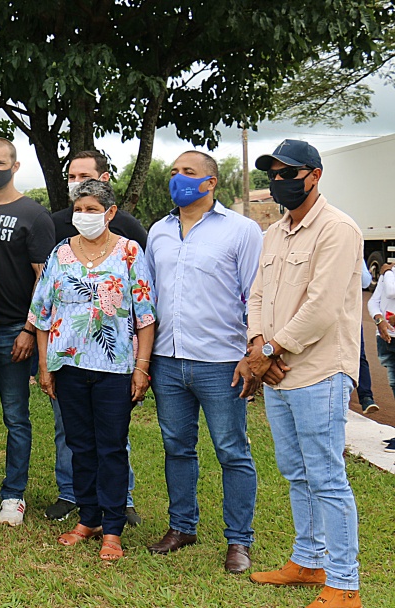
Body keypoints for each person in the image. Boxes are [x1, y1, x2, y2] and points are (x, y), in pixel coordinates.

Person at [245, 140, 363, 608]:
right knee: (296, 473)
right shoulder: (275, 233)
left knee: (327, 477)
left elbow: (323, 307)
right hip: (278, 373)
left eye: (288, 174)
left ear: (314, 176)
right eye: (273, 174)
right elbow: (256, 295)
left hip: (318, 373)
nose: (279, 182)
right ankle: (308, 561)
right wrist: (258, 345)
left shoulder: (338, 229)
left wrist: (271, 349)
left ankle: (344, 583)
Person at [144, 151, 262, 573]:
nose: (178, 179)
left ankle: (238, 541)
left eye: (188, 173)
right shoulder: (158, 231)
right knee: (176, 447)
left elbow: (256, 295)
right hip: (168, 360)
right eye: (174, 172)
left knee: (232, 451)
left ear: (211, 182)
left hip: (221, 362)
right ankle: (182, 526)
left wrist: (254, 354)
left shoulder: (242, 231)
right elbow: (149, 296)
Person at [33, 179, 155, 562]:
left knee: (112, 448)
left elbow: (146, 317)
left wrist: (141, 367)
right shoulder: (60, 253)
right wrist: (44, 365)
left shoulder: (129, 252)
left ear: (110, 212)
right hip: (67, 365)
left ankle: (113, 528)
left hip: (115, 368)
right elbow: (42, 314)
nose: (83, 216)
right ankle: (88, 518)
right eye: (79, 209)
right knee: (80, 446)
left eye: (91, 209)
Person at [0, 138, 56, 526]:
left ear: (15, 166)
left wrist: (29, 329)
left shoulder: (34, 215)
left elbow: (44, 278)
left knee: (16, 416)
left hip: (15, 332)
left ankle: (14, 493)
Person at [369, 264, 395, 408]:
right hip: (387, 339)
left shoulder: (388, 272)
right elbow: (373, 301)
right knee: (394, 383)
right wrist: (379, 319)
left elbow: (391, 292)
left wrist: (388, 273)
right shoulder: (389, 272)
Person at [357, 259, 379, 414]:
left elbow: (365, 282)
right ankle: (365, 397)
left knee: (359, 354)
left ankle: (366, 397)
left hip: (349, 315)